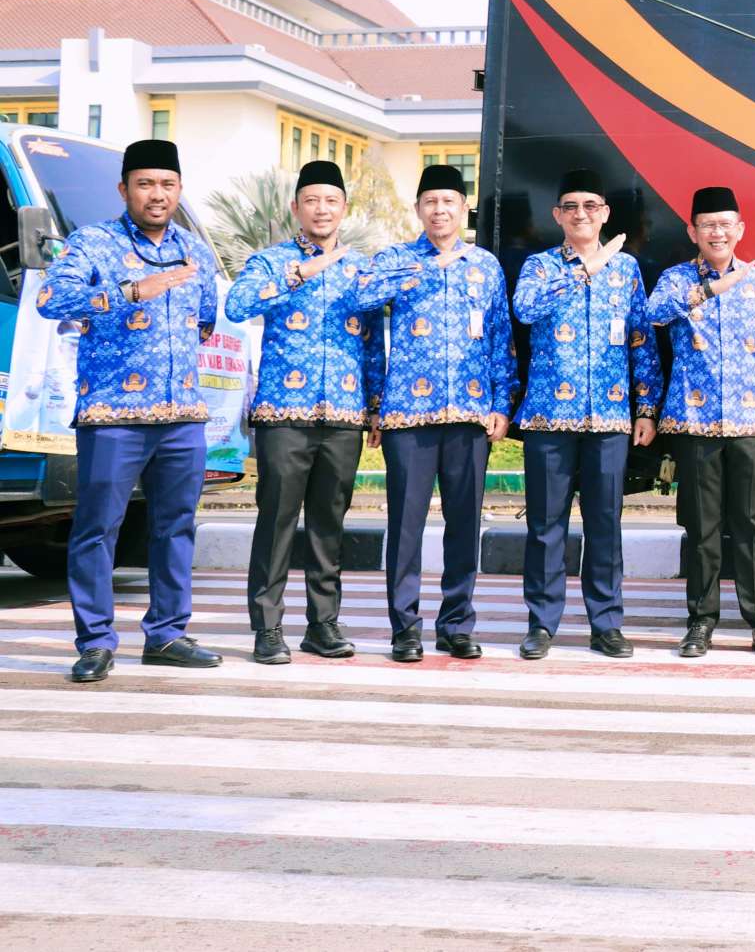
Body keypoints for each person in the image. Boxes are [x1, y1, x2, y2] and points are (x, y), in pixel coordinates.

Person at [37, 138, 222, 683]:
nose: (157, 194)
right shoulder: (91, 244)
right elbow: (51, 301)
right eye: (145, 184)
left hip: (183, 416)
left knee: (175, 528)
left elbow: (206, 322)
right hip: (112, 416)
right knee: (97, 529)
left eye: (167, 184)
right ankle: (95, 642)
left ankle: (167, 634)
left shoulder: (196, 251)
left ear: (179, 189)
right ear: (124, 190)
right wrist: (129, 292)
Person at [352, 164, 515, 663]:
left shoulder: (485, 265)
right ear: (418, 209)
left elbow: (500, 338)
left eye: (449, 201)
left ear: (464, 208)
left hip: (469, 414)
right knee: (406, 524)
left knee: (465, 522)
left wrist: (501, 404)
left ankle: (456, 623)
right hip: (408, 416)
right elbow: (363, 304)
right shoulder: (395, 259)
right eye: (430, 202)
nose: (440, 210)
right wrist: (375, 405)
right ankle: (405, 627)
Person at [225, 159, 385, 663]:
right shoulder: (271, 261)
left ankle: (323, 624)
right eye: (311, 200)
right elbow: (237, 305)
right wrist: (300, 272)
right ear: (295, 208)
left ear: (344, 208)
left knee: (328, 522)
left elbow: (374, 345)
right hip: (283, 414)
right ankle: (268, 628)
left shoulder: (362, 267)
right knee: (276, 519)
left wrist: (375, 405)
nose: (321, 209)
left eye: (331, 200)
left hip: (342, 415)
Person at [510, 168, 661, 660]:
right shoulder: (539, 266)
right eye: (571, 207)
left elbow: (642, 339)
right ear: (557, 215)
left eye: (590, 207)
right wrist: (585, 270)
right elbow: (525, 310)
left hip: (611, 418)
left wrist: (646, 406)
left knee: (605, 524)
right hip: (549, 417)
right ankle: (542, 622)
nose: (581, 215)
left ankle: (606, 622)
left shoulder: (628, 270)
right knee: (545, 525)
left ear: (605, 214)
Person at [646, 186, 755, 658]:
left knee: (752, 524)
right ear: (692, 231)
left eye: (726, 223)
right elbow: (652, 316)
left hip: (750, 422)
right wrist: (707, 289)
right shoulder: (675, 279)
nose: (717, 232)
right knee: (703, 527)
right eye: (707, 224)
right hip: (695, 424)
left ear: (740, 230)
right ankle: (701, 622)